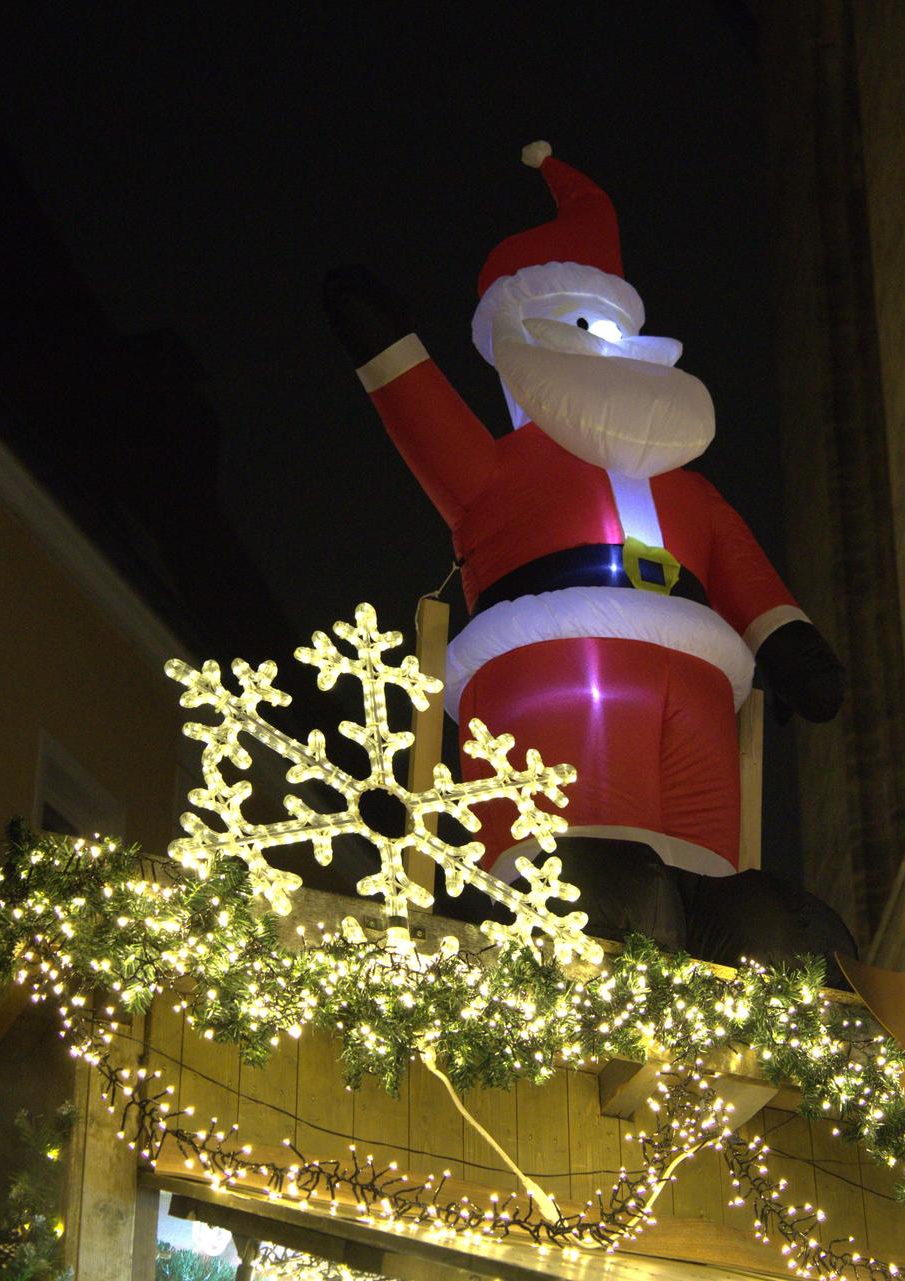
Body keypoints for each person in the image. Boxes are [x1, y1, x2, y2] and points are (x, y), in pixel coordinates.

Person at [323, 141, 853, 972]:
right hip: (553, 669)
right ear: (517, 340)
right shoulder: (498, 470)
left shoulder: (693, 490)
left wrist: (789, 643)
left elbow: (745, 575)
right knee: (597, 867)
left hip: (698, 688)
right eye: (578, 325)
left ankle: (725, 912)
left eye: (609, 326)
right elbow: (421, 416)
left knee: (717, 878)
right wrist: (385, 342)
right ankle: (570, 893)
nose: (601, 343)